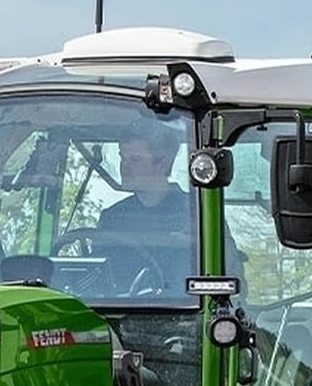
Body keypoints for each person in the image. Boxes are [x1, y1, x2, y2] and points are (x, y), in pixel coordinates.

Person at [94, 124, 246, 296]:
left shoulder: (200, 215)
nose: (124, 167)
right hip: (116, 313)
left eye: (135, 160)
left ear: (162, 163)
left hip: (183, 316)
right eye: (123, 158)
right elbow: (96, 278)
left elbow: (233, 282)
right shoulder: (113, 218)